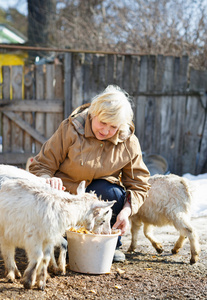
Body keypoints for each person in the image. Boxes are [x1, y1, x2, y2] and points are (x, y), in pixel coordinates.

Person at [29, 85, 150, 262]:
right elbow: (40, 165)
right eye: (102, 122)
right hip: (66, 196)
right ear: (93, 114)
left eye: (113, 126)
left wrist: (126, 211)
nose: (106, 131)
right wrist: (49, 180)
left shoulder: (129, 143)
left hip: (98, 200)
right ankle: (65, 240)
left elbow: (139, 184)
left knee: (112, 193)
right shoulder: (70, 129)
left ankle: (106, 243)